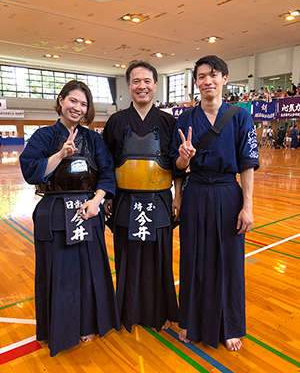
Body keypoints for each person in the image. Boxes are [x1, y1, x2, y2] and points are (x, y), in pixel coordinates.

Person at [19, 80, 120, 357]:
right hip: (53, 210)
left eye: (84, 104)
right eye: (73, 101)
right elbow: (31, 171)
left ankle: (87, 322)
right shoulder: (43, 136)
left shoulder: (93, 139)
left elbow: (108, 173)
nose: (77, 108)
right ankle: (60, 328)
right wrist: (61, 153)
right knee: (60, 272)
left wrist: (97, 201)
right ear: (61, 100)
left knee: (89, 271)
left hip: (88, 208)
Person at [170, 55, 259, 352]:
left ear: (224, 79)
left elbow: (247, 164)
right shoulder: (184, 118)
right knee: (193, 258)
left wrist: (247, 206)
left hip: (227, 193)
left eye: (213, 75)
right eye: (201, 76)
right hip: (195, 191)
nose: (207, 80)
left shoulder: (240, 116)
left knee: (229, 261)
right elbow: (178, 167)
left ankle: (230, 325)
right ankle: (190, 321)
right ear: (196, 83)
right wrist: (183, 164)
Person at [103, 60, 180, 333]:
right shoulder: (115, 121)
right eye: (136, 81)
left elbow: (178, 165)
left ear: (155, 85)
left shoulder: (170, 122)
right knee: (127, 255)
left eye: (147, 81)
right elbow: (107, 163)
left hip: (159, 200)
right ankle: (126, 311)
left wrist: (178, 197)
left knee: (160, 257)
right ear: (128, 86)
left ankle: (160, 312)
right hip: (125, 201)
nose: (142, 86)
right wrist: (109, 196)